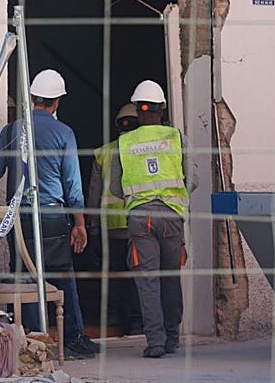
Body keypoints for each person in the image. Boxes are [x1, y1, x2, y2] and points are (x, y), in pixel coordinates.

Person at [0, 68, 101, 358]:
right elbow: (73, 185)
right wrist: (80, 224)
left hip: (19, 219)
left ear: (32, 98)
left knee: (24, 277)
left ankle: (33, 342)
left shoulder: (11, 130)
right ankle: (73, 336)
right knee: (62, 276)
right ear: (57, 102)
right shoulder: (64, 133)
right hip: (51, 218)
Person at [110, 79, 198, 359]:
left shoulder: (124, 142)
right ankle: (173, 338)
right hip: (172, 216)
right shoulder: (177, 138)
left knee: (148, 280)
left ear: (137, 110)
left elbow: (114, 187)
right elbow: (192, 179)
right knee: (170, 277)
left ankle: (156, 342)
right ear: (162, 109)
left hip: (141, 219)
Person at [88, 102, 143, 335]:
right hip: (139, 225)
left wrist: (91, 228)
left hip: (110, 228)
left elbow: (93, 192)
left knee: (112, 278)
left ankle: (111, 322)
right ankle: (137, 325)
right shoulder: (146, 149)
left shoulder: (104, 152)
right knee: (137, 279)